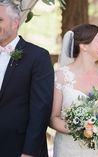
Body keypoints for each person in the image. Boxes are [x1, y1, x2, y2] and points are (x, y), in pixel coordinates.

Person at [50, 24, 98, 157]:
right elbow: (53, 118)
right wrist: (83, 130)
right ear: (84, 46)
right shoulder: (60, 76)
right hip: (68, 149)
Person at [0, 1, 54, 157]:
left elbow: (41, 108)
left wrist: (29, 152)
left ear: (15, 22)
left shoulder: (38, 57)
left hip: (20, 148)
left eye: (0, 20)